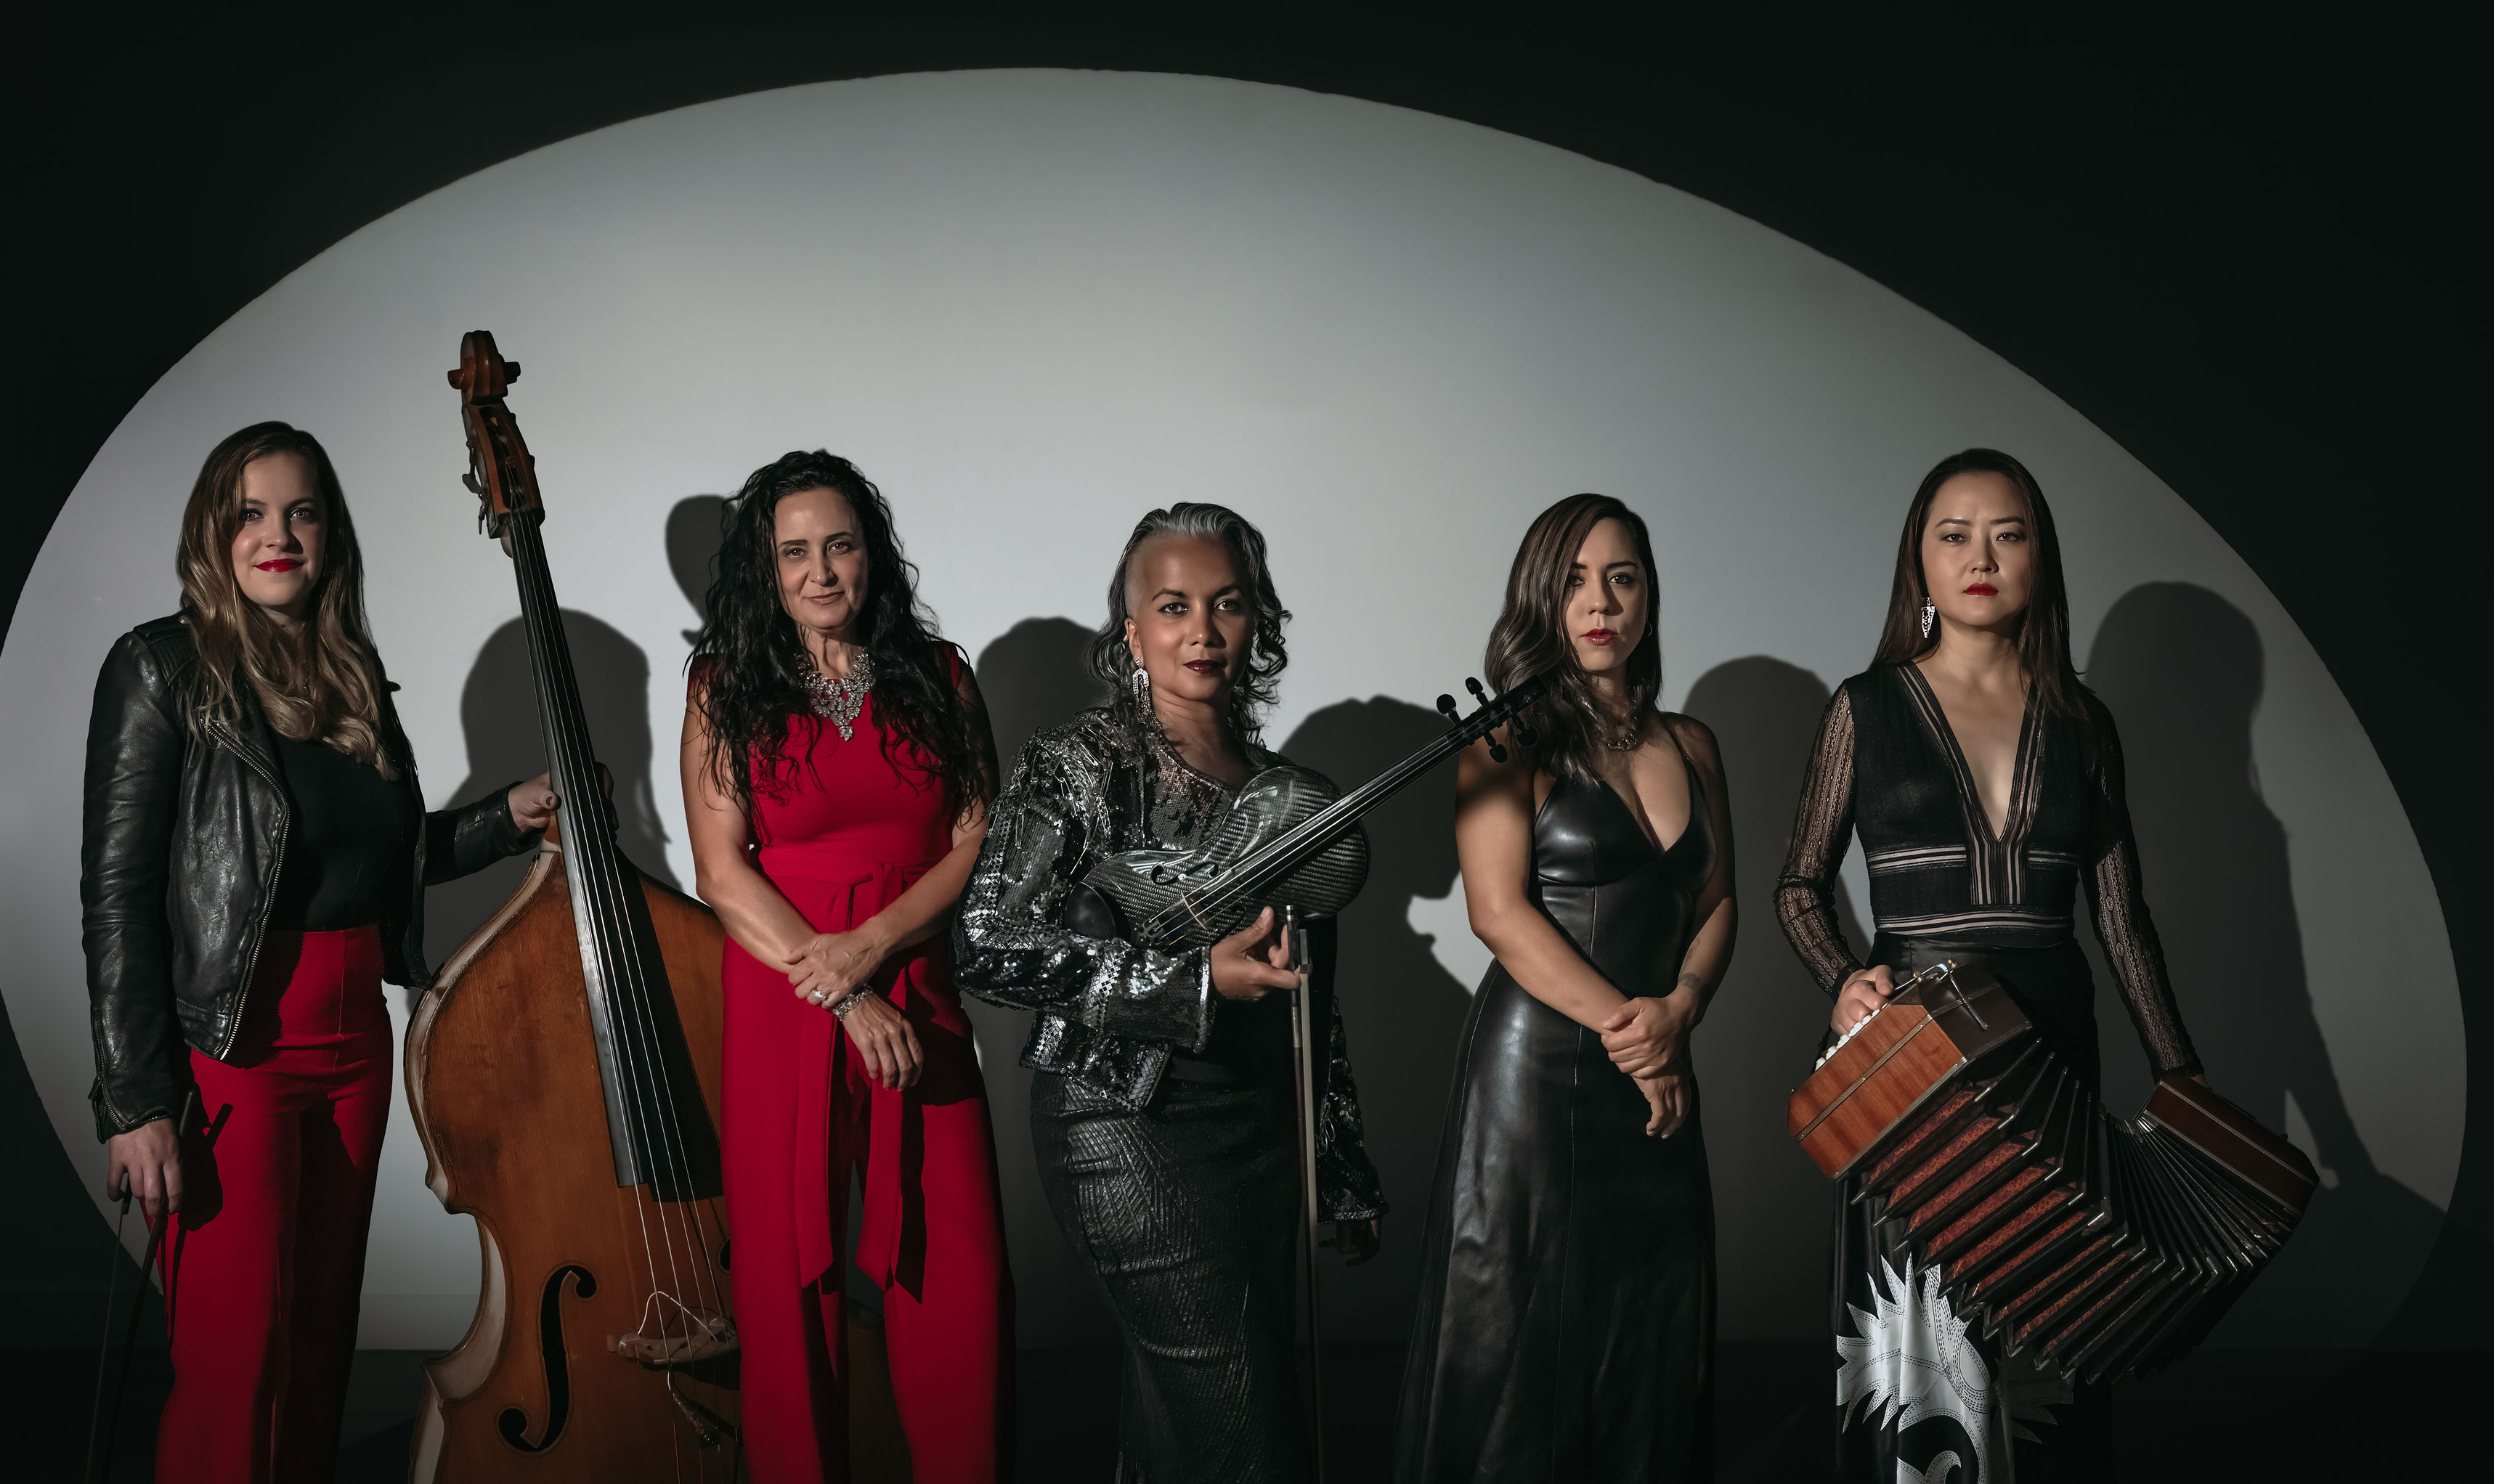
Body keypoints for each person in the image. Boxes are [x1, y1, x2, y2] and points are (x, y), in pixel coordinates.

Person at [86, 422, 551, 1483]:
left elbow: (380, 860)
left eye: (302, 512)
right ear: (214, 531)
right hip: (233, 1044)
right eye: (251, 514)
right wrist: (136, 1099)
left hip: (355, 1044)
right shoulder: (160, 667)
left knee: (317, 1340)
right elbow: (116, 898)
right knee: (237, 1353)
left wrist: (506, 817)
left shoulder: (348, 672)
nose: (279, 536)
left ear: (330, 533)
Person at [1776, 448, 2205, 1483]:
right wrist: (1842, 976)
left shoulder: (2085, 725)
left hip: (2052, 1052)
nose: (1982, 557)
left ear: (2039, 559)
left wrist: (2181, 1076)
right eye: (1955, 535)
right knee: (1923, 1335)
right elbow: (1798, 886)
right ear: (1918, 562)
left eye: (2008, 535)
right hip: (1910, 1054)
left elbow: (2122, 918)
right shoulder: (1865, 707)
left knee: (2054, 1314)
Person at [951, 502, 1386, 1484]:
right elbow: (986, 943)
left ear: (1257, 619)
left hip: (1260, 1131)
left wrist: (1340, 1164)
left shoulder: (1287, 791)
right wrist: (1189, 981)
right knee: (1243, 1432)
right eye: (1174, 606)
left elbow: (1314, 997)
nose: (1203, 630)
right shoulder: (1078, 762)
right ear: (1132, 629)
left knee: (1179, 1429)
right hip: (1122, 1119)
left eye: (1227, 604)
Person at [681, 449, 1014, 1483]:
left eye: (840, 545)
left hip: (912, 976)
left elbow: (979, 836)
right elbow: (720, 871)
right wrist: (842, 990)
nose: (820, 571)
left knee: (956, 1271)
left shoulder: (941, 674)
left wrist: (874, 949)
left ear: (873, 554)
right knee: (789, 1285)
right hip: (787, 992)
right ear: (766, 570)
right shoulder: (724, 686)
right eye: (795, 553)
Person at [1392, 493, 1735, 1483]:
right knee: (1518, 1336)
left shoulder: (1695, 744)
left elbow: (1717, 901)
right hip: (1538, 1074)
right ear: (1540, 597)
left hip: (1659, 1059)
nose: (1601, 603)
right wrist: (1640, 1041)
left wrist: (1681, 1013)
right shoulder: (1504, 737)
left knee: (1650, 1328)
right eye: (1576, 580)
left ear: (1650, 596)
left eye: (1623, 578)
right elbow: (1498, 914)